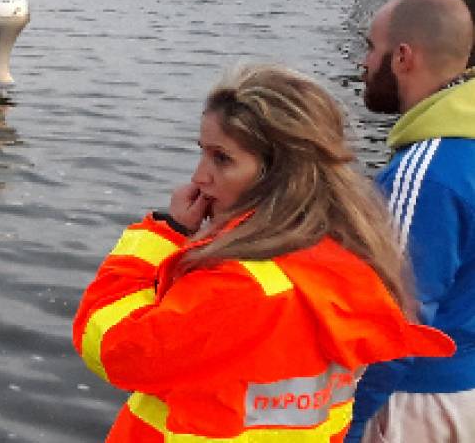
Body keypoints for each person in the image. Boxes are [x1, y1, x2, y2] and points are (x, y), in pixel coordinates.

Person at [72, 64, 453, 442]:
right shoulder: (350, 271)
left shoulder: (237, 288)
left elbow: (110, 347)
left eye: (222, 159)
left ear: (281, 175)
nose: (200, 177)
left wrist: (163, 233)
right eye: (202, 153)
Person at [349, 0, 475, 442]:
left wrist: (349, 423)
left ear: (403, 57)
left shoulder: (426, 172)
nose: (364, 64)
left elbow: (394, 319)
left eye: (371, 48)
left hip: (416, 402)